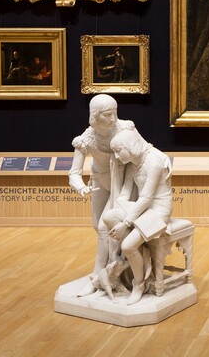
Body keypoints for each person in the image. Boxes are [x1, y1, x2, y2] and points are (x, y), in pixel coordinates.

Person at [68, 94, 138, 295]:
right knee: (97, 227)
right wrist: (81, 187)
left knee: (104, 228)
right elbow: (74, 173)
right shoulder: (86, 139)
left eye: (114, 113)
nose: (113, 119)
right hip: (99, 181)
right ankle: (111, 271)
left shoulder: (125, 128)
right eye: (107, 115)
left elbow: (141, 150)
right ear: (95, 115)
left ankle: (98, 276)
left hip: (122, 182)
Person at [102, 129, 174, 305]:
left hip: (158, 210)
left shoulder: (154, 161)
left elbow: (146, 197)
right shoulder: (133, 163)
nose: (117, 156)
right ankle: (140, 252)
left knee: (127, 246)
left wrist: (125, 224)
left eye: (118, 151)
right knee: (109, 217)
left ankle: (139, 284)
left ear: (129, 146)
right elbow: (125, 194)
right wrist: (119, 207)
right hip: (141, 208)